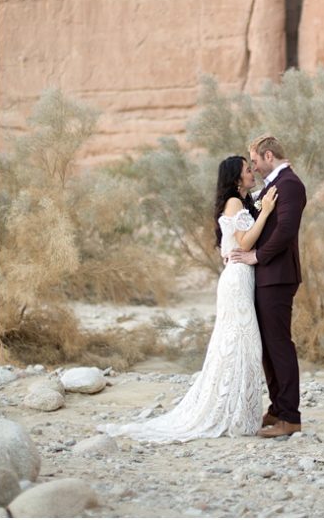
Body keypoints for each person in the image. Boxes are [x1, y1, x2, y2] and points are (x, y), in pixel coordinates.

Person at [103, 156, 278, 443]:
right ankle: (230, 412)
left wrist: (263, 203)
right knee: (239, 344)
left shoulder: (243, 201)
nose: (252, 173)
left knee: (240, 345)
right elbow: (245, 242)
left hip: (242, 278)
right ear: (236, 178)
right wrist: (266, 212)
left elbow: (244, 224)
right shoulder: (234, 202)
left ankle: (239, 411)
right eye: (248, 169)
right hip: (237, 280)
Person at [228, 135, 307, 437]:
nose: (255, 167)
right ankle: (277, 409)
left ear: (269, 155)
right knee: (268, 347)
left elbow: (286, 230)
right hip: (266, 276)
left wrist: (257, 256)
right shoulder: (274, 185)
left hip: (278, 275)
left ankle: (291, 417)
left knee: (279, 345)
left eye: (256, 161)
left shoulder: (290, 185)